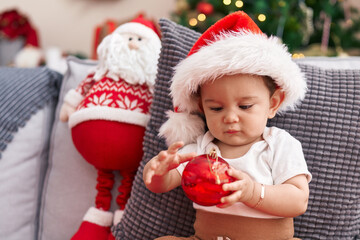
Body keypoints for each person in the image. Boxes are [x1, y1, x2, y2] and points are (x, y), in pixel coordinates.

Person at [143, 11, 311, 240]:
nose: (230, 118)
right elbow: (164, 184)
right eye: (216, 109)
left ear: (272, 104)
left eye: (245, 106)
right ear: (202, 108)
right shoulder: (201, 148)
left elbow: (298, 201)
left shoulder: (279, 144)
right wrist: (158, 172)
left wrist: (252, 192)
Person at [59, 15, 161, 240]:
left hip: (133, 142)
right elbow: (81, 89)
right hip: (89, 130)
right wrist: (69, 106)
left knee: (127, 181)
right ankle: (98, 220)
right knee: (106, 182)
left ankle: (120, 225)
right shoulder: (100, 73)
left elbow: (161, 104)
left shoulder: (151, 81)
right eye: (130, 38)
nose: (133, 44)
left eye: (139, 40)